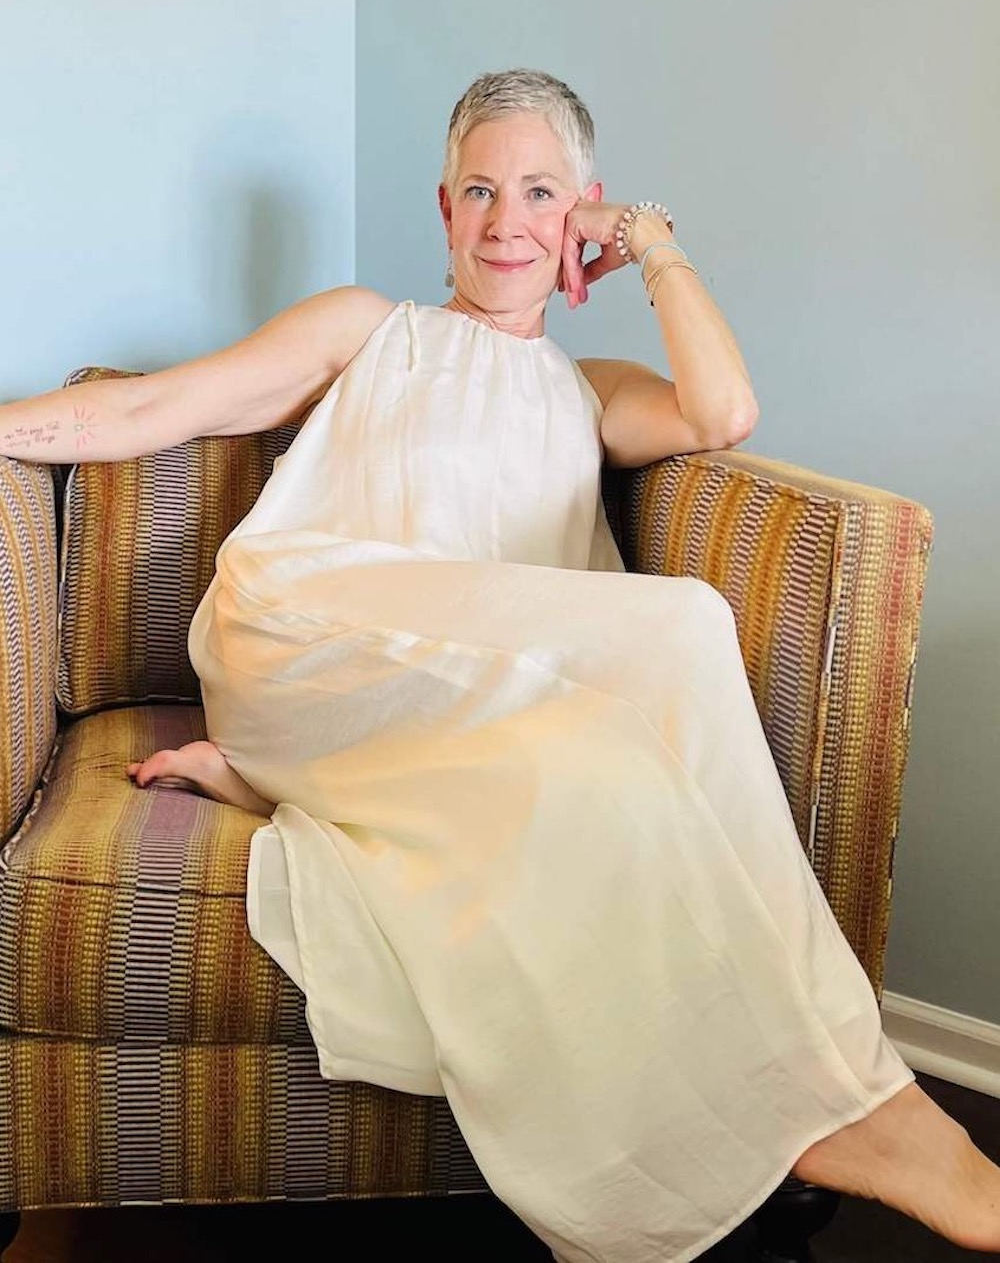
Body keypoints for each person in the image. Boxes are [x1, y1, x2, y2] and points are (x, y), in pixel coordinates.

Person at [2, 67, 998, 1263]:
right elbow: (143, 412)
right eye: (479, 189)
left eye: (540, 193)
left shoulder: (589, 395)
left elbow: (723, 409)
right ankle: (871, 1107)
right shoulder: (371, 332)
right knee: (677, 623)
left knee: (606, 773)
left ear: (583, 211)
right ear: (443, 210)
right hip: (305, 635)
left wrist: (652, 245)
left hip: (455, 705)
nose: (504, 219)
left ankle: (815, 1100)